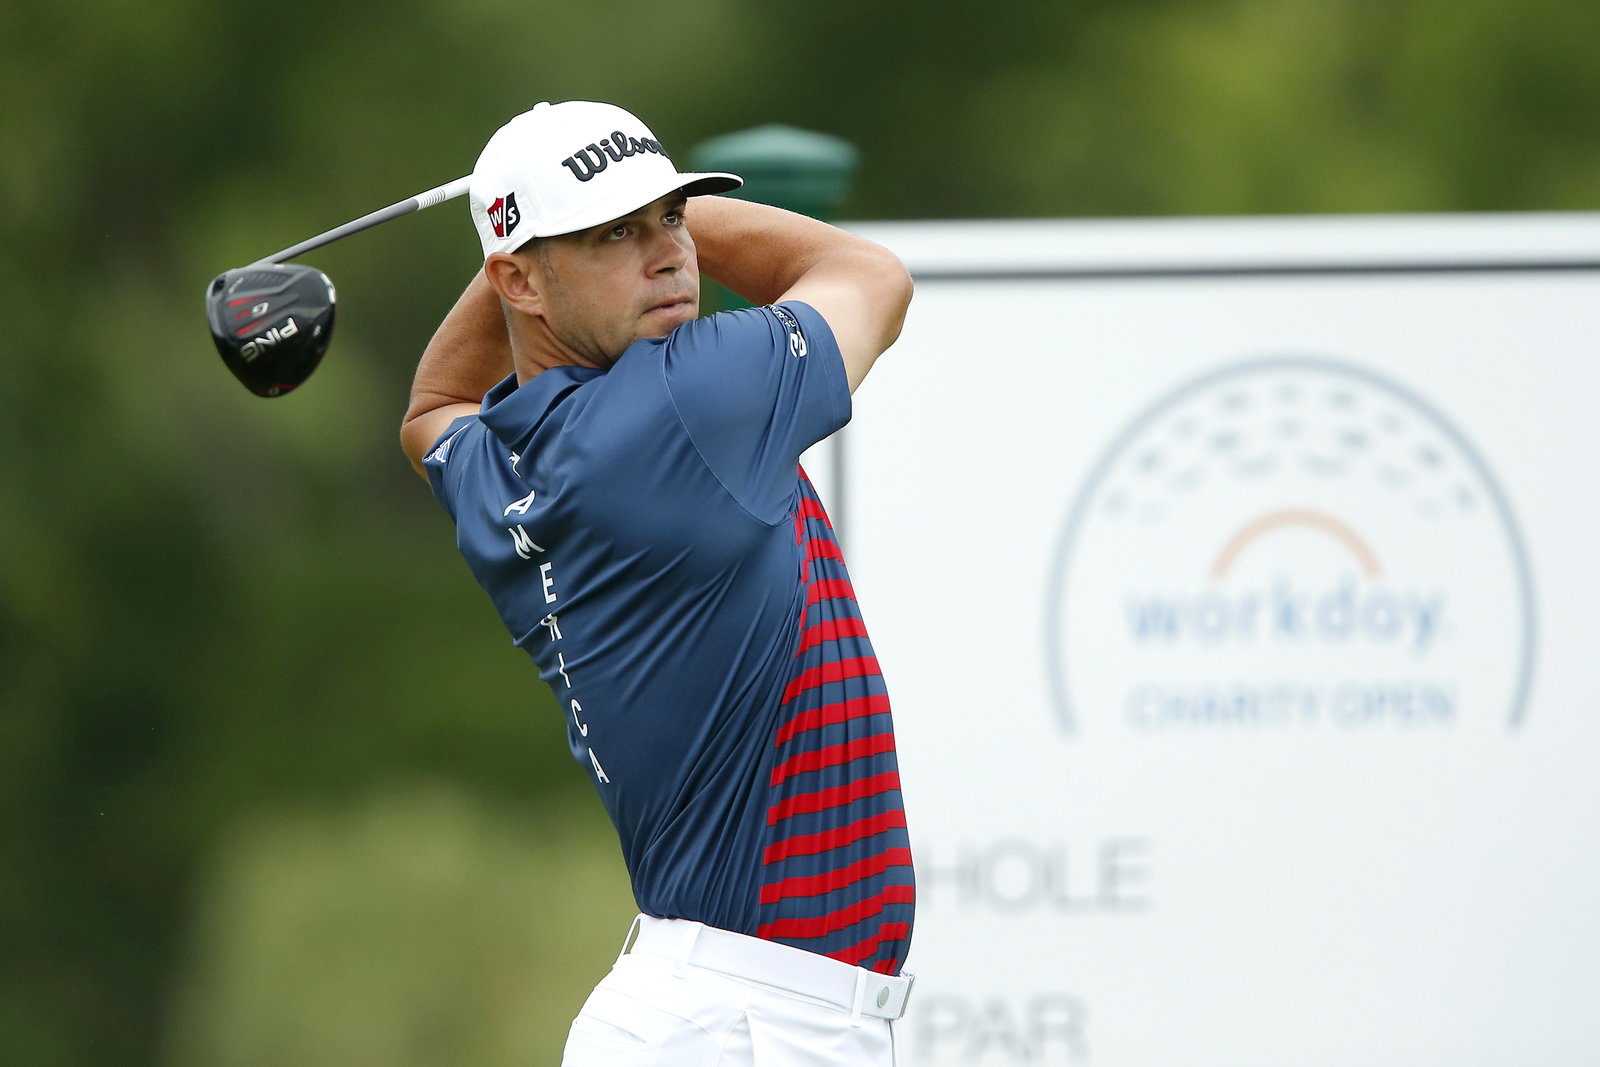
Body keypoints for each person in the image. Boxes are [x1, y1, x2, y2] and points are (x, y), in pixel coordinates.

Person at [399, 100, 917, 1065]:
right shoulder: (684, 399)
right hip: (753, 1022)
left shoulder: (497, 463)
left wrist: (542, 238)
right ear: (519, 279)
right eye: (614, 234)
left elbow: (433, 405)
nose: (670, 253)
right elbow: (870, 277)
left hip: (709, 1010)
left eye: (672, 217)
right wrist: (561, 228)